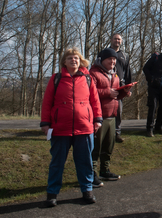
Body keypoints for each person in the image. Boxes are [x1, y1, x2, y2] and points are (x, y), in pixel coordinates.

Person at [40, 48, 103, 207]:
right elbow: (47, 102)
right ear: (64, 62)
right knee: (57, 163)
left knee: (85, 162)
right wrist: (45, 123)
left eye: (76, 58)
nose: (73, 60)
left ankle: (87, 191)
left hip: (84, 128)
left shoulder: (88, 79)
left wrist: (97, 120)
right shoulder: (56, 79)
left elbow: (95, 101)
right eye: (70, 58)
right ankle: (52, 194)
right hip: (60, 129)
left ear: (80, 61)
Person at [90, 48, 130, 186]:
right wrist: (108, 92)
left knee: (108, 146)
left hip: (112, 116)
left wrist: (124, 92)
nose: (113, 62)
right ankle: (92, 174)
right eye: (110, 59)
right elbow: (91, 91)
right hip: (99, 117)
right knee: (96, 147)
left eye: (114, 60)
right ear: (102, 60)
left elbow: (115, 95)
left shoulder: (115, 74)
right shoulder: (93, 73)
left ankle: (104, 170)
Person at [109, 33, 132, 143]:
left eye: (119, 39)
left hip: (121, 87)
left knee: (119, 111)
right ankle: (105, 133)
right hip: (107, 86)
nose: (117, 41)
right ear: (111, 40)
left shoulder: (125, 55)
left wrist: (129, 88)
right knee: (106, 110)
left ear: (121, 41)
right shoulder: (105, 53)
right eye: (115, 39)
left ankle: (117, 133)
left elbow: (128, 73)